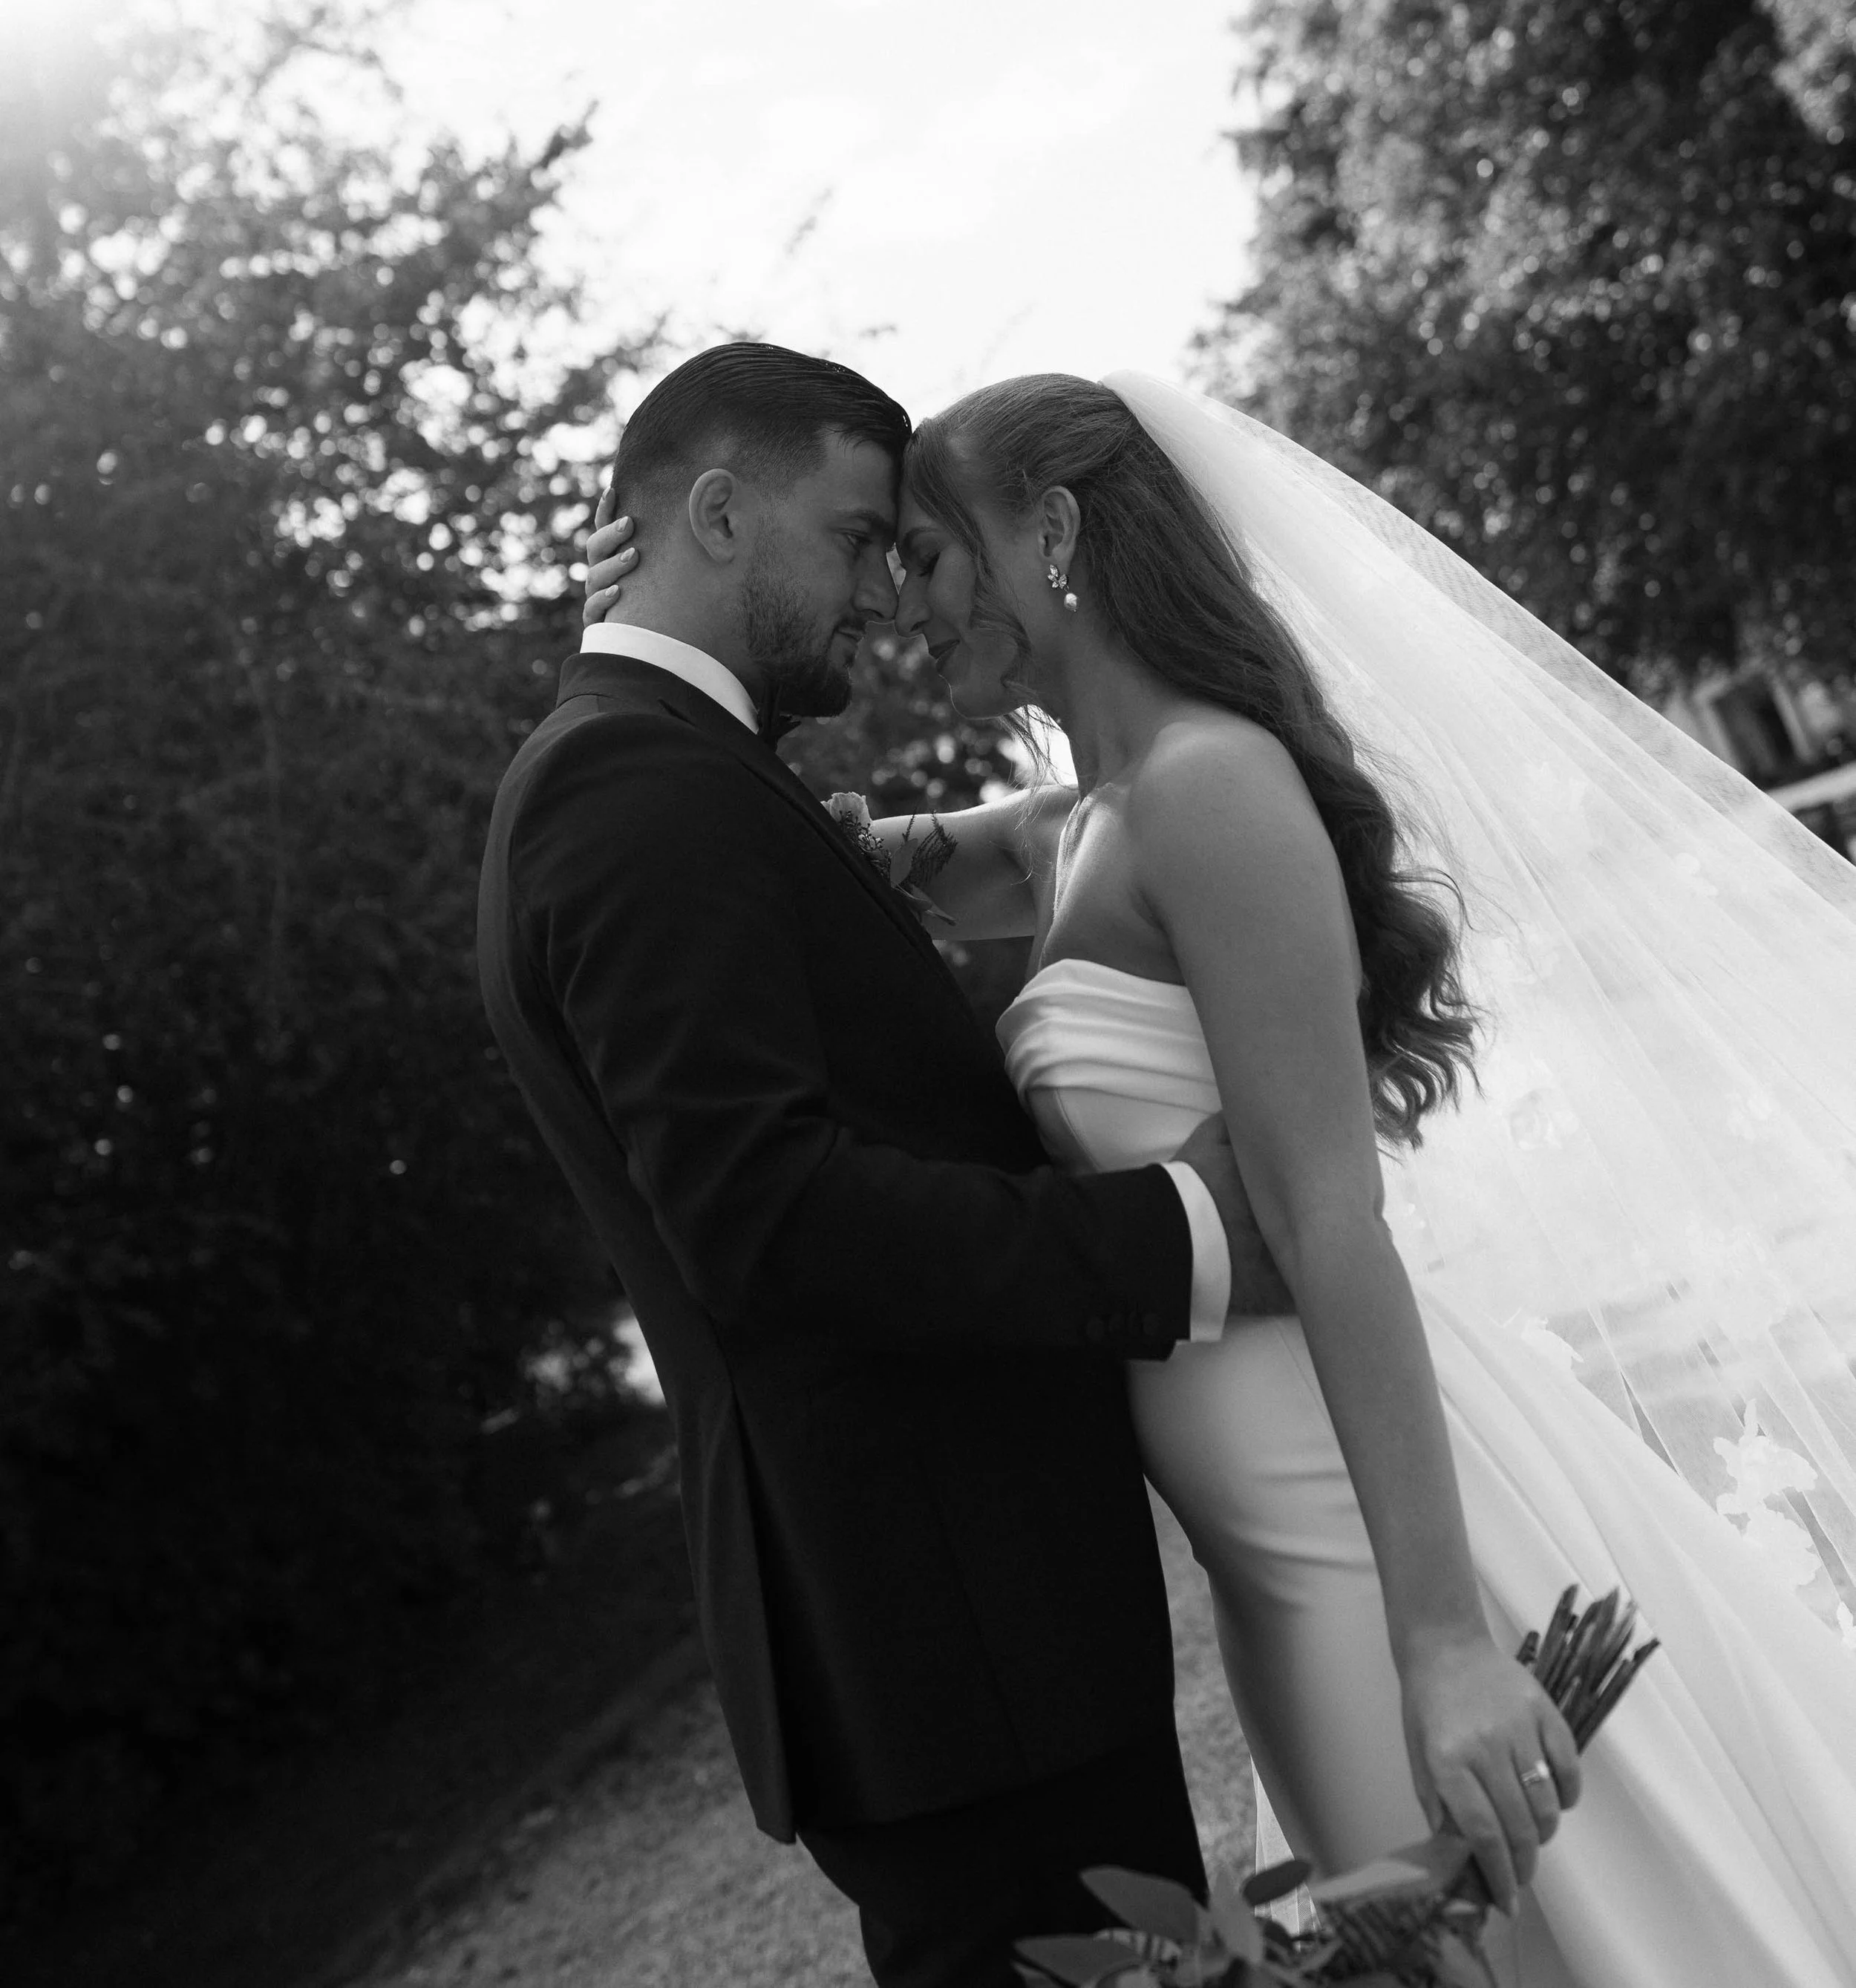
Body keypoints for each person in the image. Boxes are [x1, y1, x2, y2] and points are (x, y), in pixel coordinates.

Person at [585, 367, 1856, 1988]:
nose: (900, 604)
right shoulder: (1072, 828)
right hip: (1261, 1558)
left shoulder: (1212, 792)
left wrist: (1442, 1641)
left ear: (1051, 534)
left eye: (928, 554)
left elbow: (1333, 1226)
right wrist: (643, 624)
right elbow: (762, 837)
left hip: (1352, 1531)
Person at [478, 341, 1297, 1988]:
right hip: (949, 1640)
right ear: (719, 514)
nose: (882, 591)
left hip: (965, 1640)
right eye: (857, 539)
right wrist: (1185, 1230)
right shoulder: (630, 791)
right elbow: (768, 1219)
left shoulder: (671, 769)